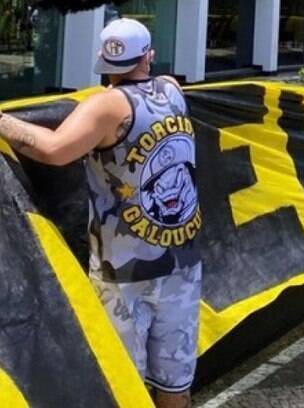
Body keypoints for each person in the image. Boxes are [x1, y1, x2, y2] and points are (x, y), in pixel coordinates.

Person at [0, 18, 201, 408]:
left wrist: (2, 121)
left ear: (104, 62)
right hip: (181, 259)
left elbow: (55, 149)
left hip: (123, 268)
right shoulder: (174, 90)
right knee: (174, 382)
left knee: (123, 382)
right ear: (149, 56)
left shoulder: (107, 106)